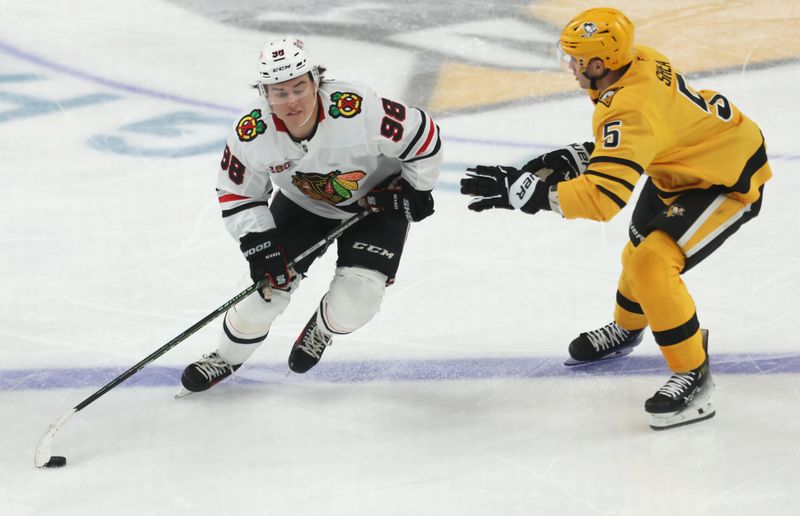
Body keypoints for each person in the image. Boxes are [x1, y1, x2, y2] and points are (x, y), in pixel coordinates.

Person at [460, 7, 771, 430]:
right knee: (639, 250)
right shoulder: (639, 60)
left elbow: (602, 199)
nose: (569, 66)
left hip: (725, 178)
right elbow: (650, 131)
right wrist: (578, 155)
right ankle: (628, 329)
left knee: (652, 264)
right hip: (685, 163)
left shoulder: (628, 108)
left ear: (599, 64)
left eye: (575, 58)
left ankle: (694, 374)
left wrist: (527, 196)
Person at [178, 36, 441, 396]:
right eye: (279, 92)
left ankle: (322, 329)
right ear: (264, 94)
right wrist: (259, 242)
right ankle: (226, 357)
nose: (292, 101)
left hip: (376, 206)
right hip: (304, 204)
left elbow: (424, 136)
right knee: (262, 295)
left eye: (299, 87)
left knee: (356, 302)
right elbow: (237, 192)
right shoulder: (251, 131)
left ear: (316, 81)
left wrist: (415, 190)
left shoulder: (358, 107)